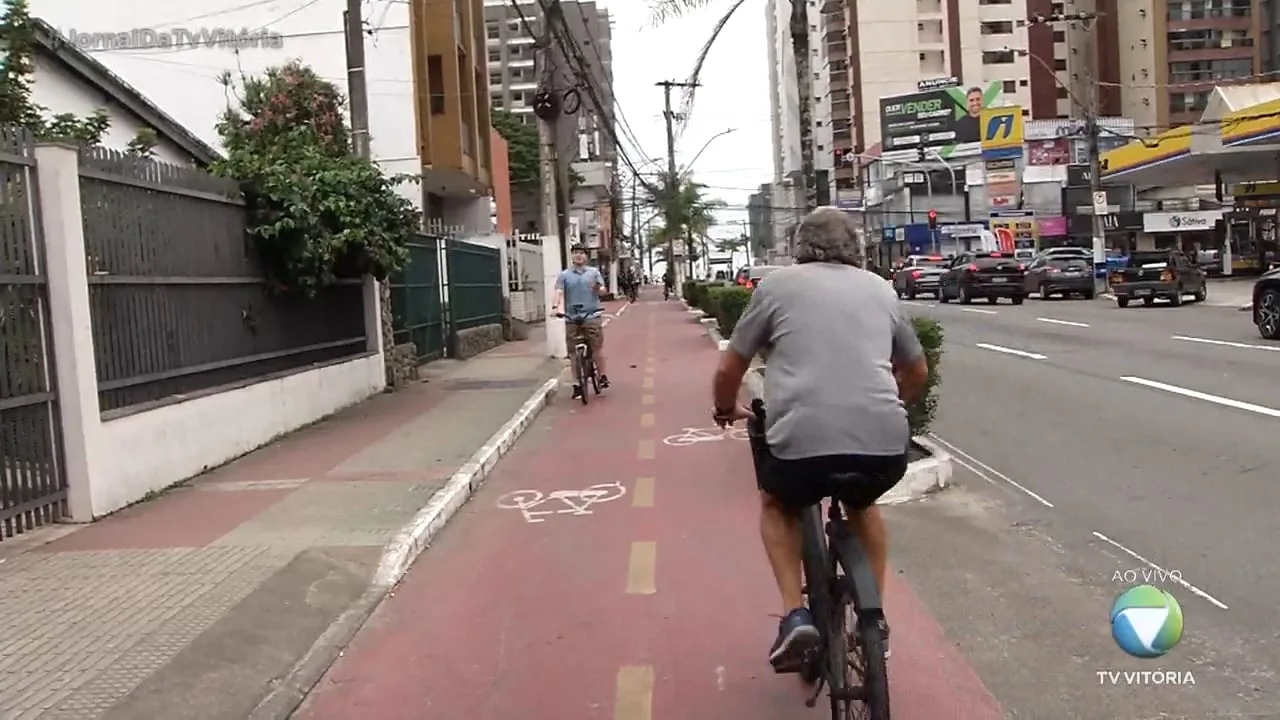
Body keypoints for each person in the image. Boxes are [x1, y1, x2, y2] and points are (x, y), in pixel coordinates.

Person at [709, 207, 930, 671]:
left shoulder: (776, 287)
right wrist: (893, 407)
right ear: (856, 248)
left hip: (800, 448)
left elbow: (731, 366)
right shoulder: (882, 290)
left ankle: (795, 616)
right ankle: (878, 617)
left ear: (799, 246)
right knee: (863, 504)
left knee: (777, 503)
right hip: (883, 449)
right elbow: (916, 370)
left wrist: (726, 408)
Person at [552, 244, 610, 398]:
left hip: (591, 315)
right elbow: (558, 291)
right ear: (572, 256)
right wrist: (555, 307)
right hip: (572, 317)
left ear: (586, 256)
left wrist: (598, 289)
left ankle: (602, 376)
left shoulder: (593, 273)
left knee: (596, 347)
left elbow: (604, 290)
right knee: (573, 353)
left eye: (581, 253)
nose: (578, 256)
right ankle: (577, 384)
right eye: (575, 253)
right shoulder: (564, 275)